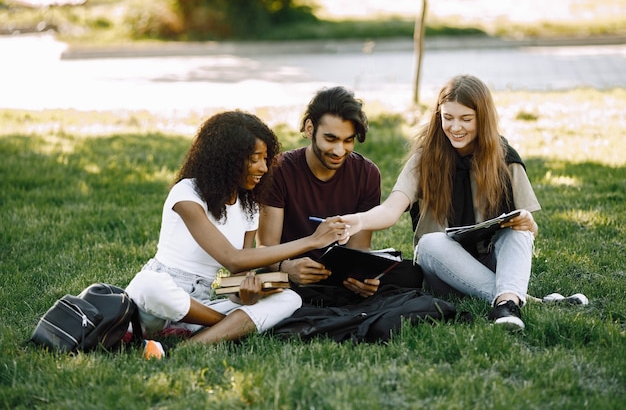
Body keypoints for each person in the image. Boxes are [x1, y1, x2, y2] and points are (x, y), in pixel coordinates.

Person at [125, 111, 348, 358]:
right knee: (149, 284)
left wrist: (247, 294)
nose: (264, 167)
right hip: (155, 304)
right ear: (227, 160)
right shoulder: (186, 193)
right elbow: (232, 258)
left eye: (266, 158)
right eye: (255, 159)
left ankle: (187, 346)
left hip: (200, 304)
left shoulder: (248, 208)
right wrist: (312, 240)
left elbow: (236, 278)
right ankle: (224, 327)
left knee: (290, 299)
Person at [340, 74, 541, 330]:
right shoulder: (426, 158)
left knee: (518, 231)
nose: (456, 127)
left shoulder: (505, 159)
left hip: (488, 258)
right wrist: (356, 221)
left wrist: (528, 222)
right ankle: (516, 298)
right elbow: (391, 210)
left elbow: (530, 235)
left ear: (484, 119)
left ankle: (506, 303)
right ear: (438, 116)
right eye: (448, 118)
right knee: (430, 242)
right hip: (440, 266)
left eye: (466, 119)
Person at [257, 86, 423, 307]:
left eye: (348, 140)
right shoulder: (279, 170)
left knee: (410, 275)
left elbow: (359, 248)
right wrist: (286, 267)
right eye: (330, 139)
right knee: (264, 282)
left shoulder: (366, 173)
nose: (339, 150)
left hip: (337, 277)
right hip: (291, 273)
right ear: (309, 128)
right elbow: (265, 249)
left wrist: (363, 278)